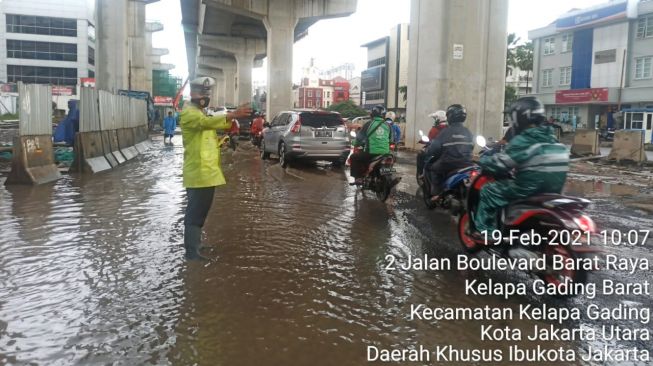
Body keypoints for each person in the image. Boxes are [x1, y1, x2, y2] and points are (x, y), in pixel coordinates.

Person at [473, 97, 569, 236]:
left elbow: (499, 164)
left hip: (526, 189)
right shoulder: (551, 138)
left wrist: (482, 160)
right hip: (552, 192)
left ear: (519, 117)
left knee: (488, 191)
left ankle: (486, 232)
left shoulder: (524, 139)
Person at [181, 96, 249, 260]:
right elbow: (206, 122)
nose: (205, 96)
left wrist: (229, 122)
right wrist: (232, 114)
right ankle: (191, 254)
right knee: (195, 213)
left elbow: (214, 123)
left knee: (201, 212)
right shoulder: (189, 113)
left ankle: (196, 245)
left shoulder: (200, 113)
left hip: (207, 173)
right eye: (201, 93)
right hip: (199, 173)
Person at [425, 104, 474, 200]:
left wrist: (429, 152)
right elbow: (471, 147)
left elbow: (434, 149)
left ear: (450, 116)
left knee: (433, 168)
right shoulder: (467, 131)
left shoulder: (445, 132)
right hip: (467, 163)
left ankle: (436, 193)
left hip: (449, 162)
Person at [350, 105, 392, 185]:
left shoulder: (368, 124)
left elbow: (359, 138)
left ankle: (358, 178)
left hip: (371, 152)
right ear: (384, 115)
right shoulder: (388, 125)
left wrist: (354, 143)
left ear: (372, 114)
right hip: (385, 153)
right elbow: (391, 139)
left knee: (354, 157)